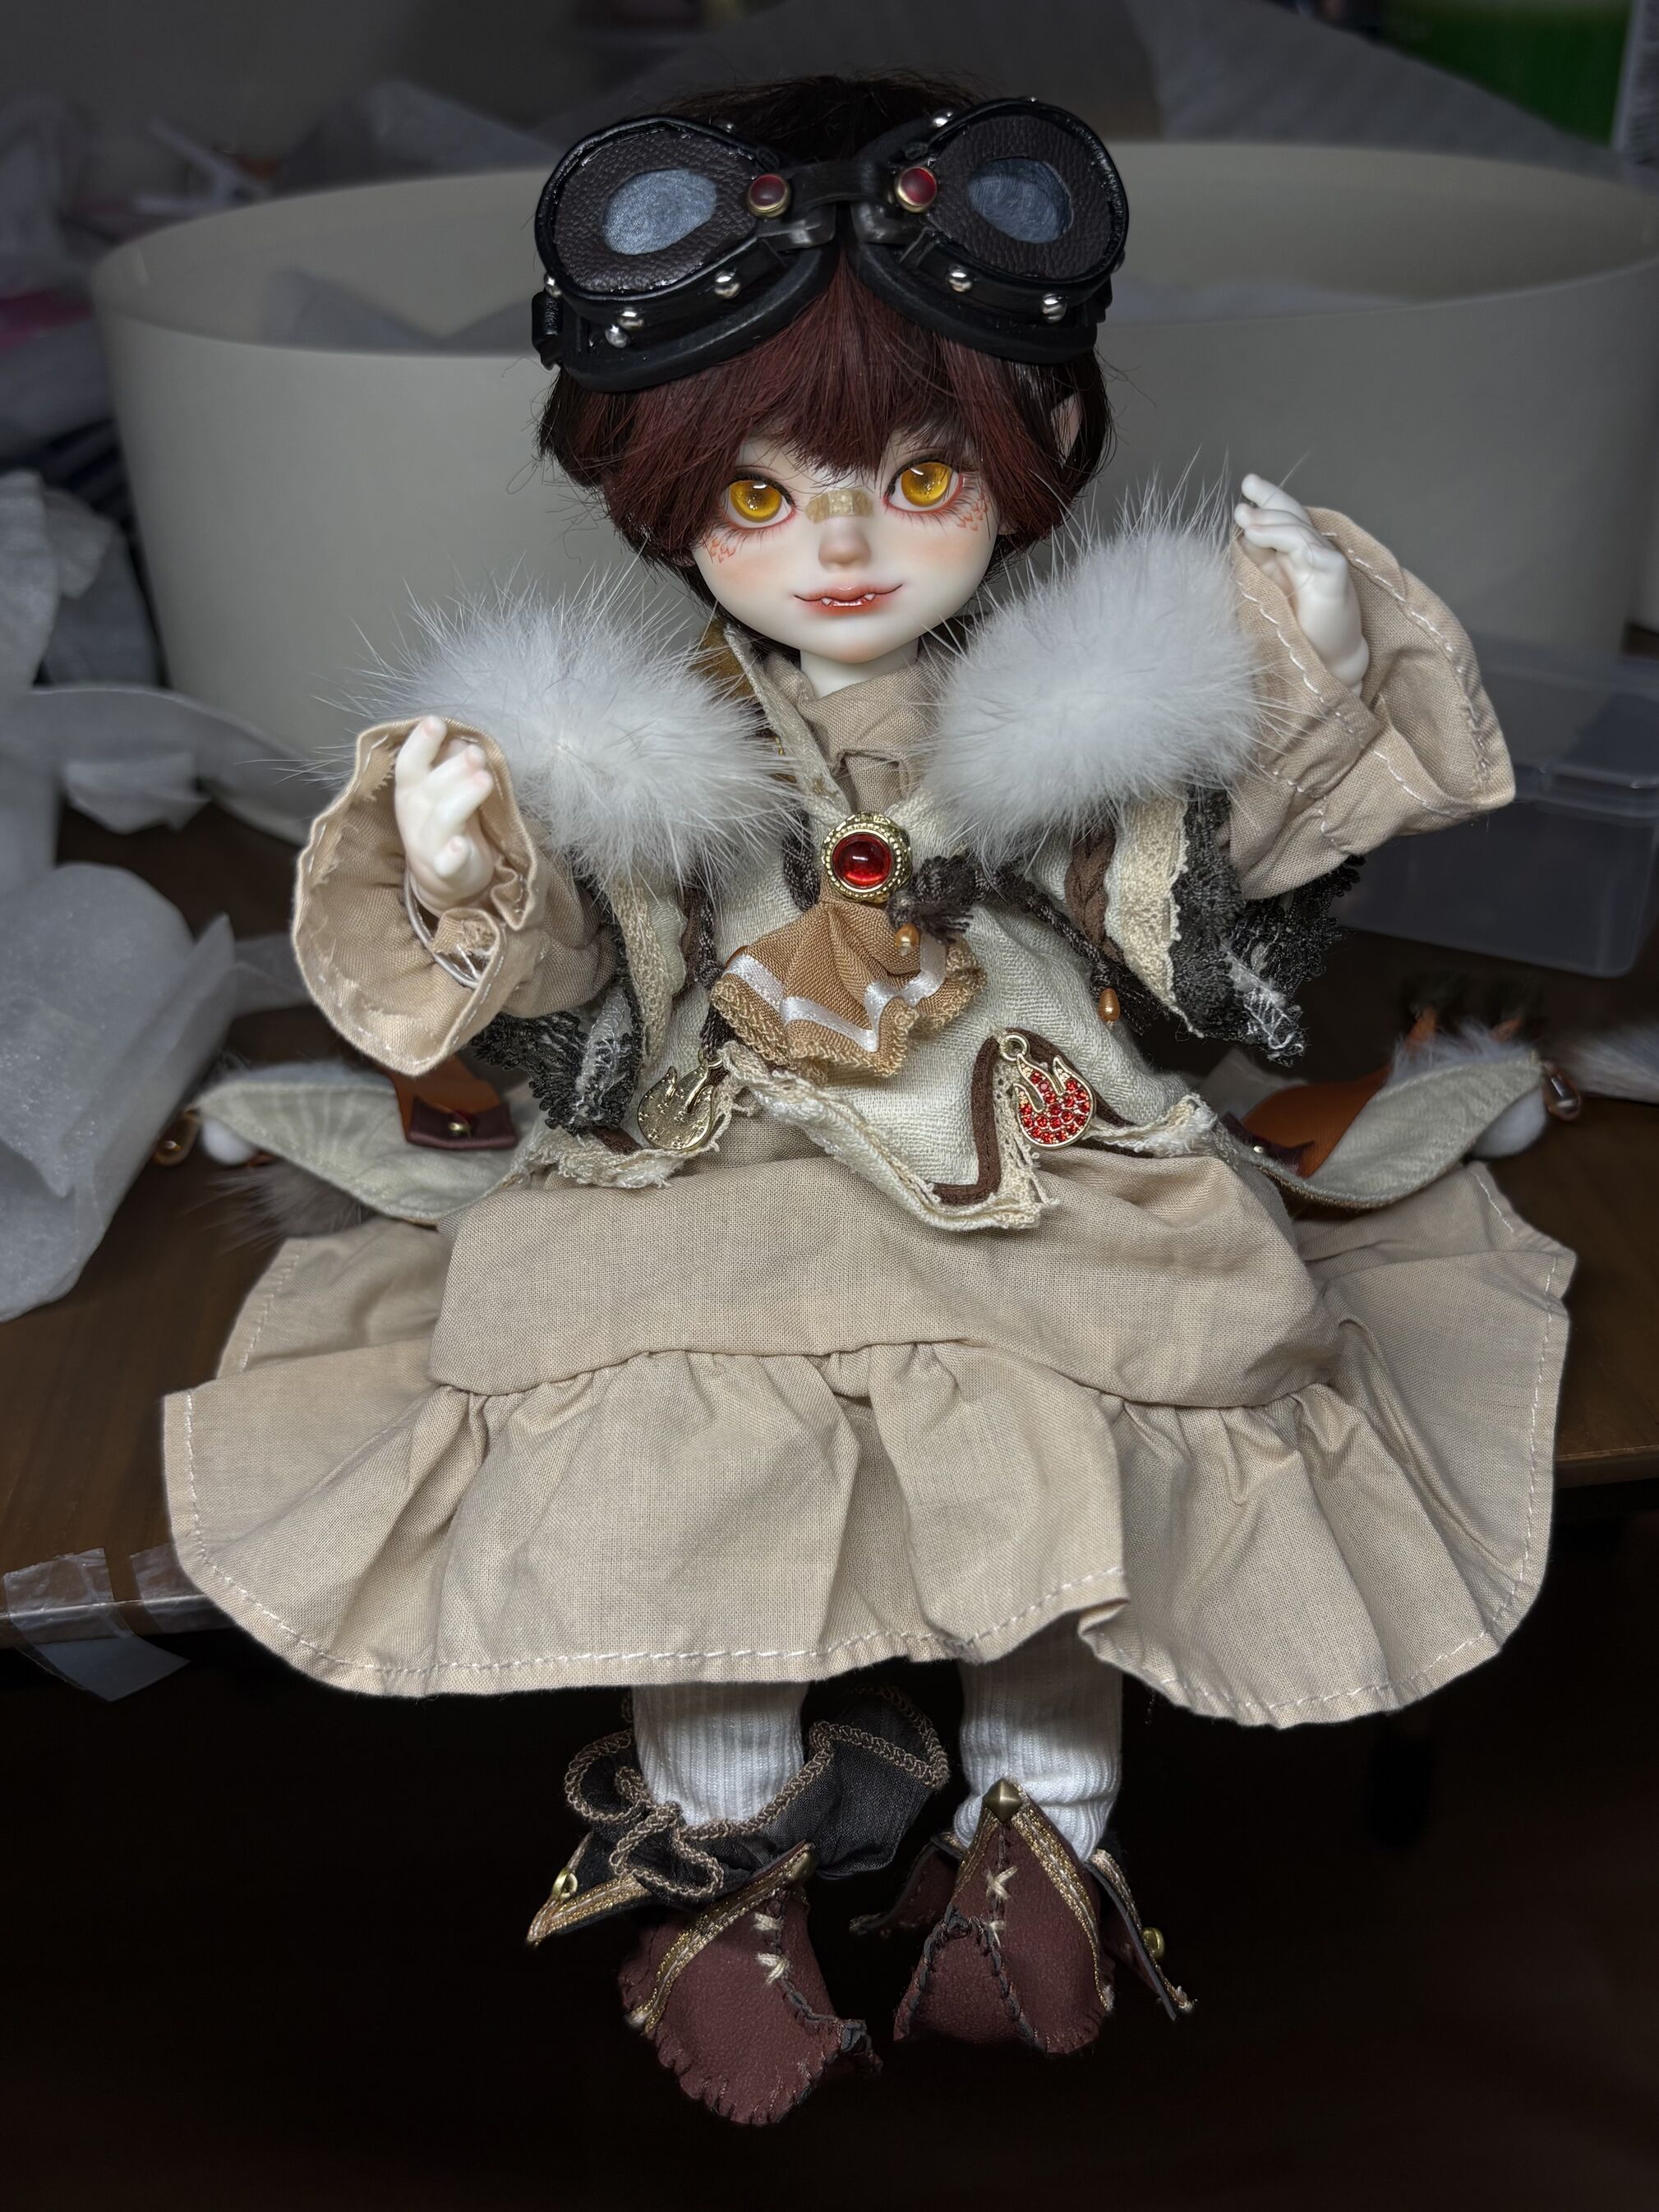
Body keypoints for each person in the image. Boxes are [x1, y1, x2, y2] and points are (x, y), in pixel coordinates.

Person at [166, 73, 1571, 2125]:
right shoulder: (647, 750)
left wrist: (1291, 699)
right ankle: (721, 1863)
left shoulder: (1065, 718)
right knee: (647, 1390)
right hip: (725, 1124)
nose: (836, 545)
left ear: (1029, 445)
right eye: (754, 497)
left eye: (916, 477)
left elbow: (1199, 935)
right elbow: (589, 1006)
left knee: (1078, 1397)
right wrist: (488, 878)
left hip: (1023, 1120)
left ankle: (1042, 1847)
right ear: (657, 486)